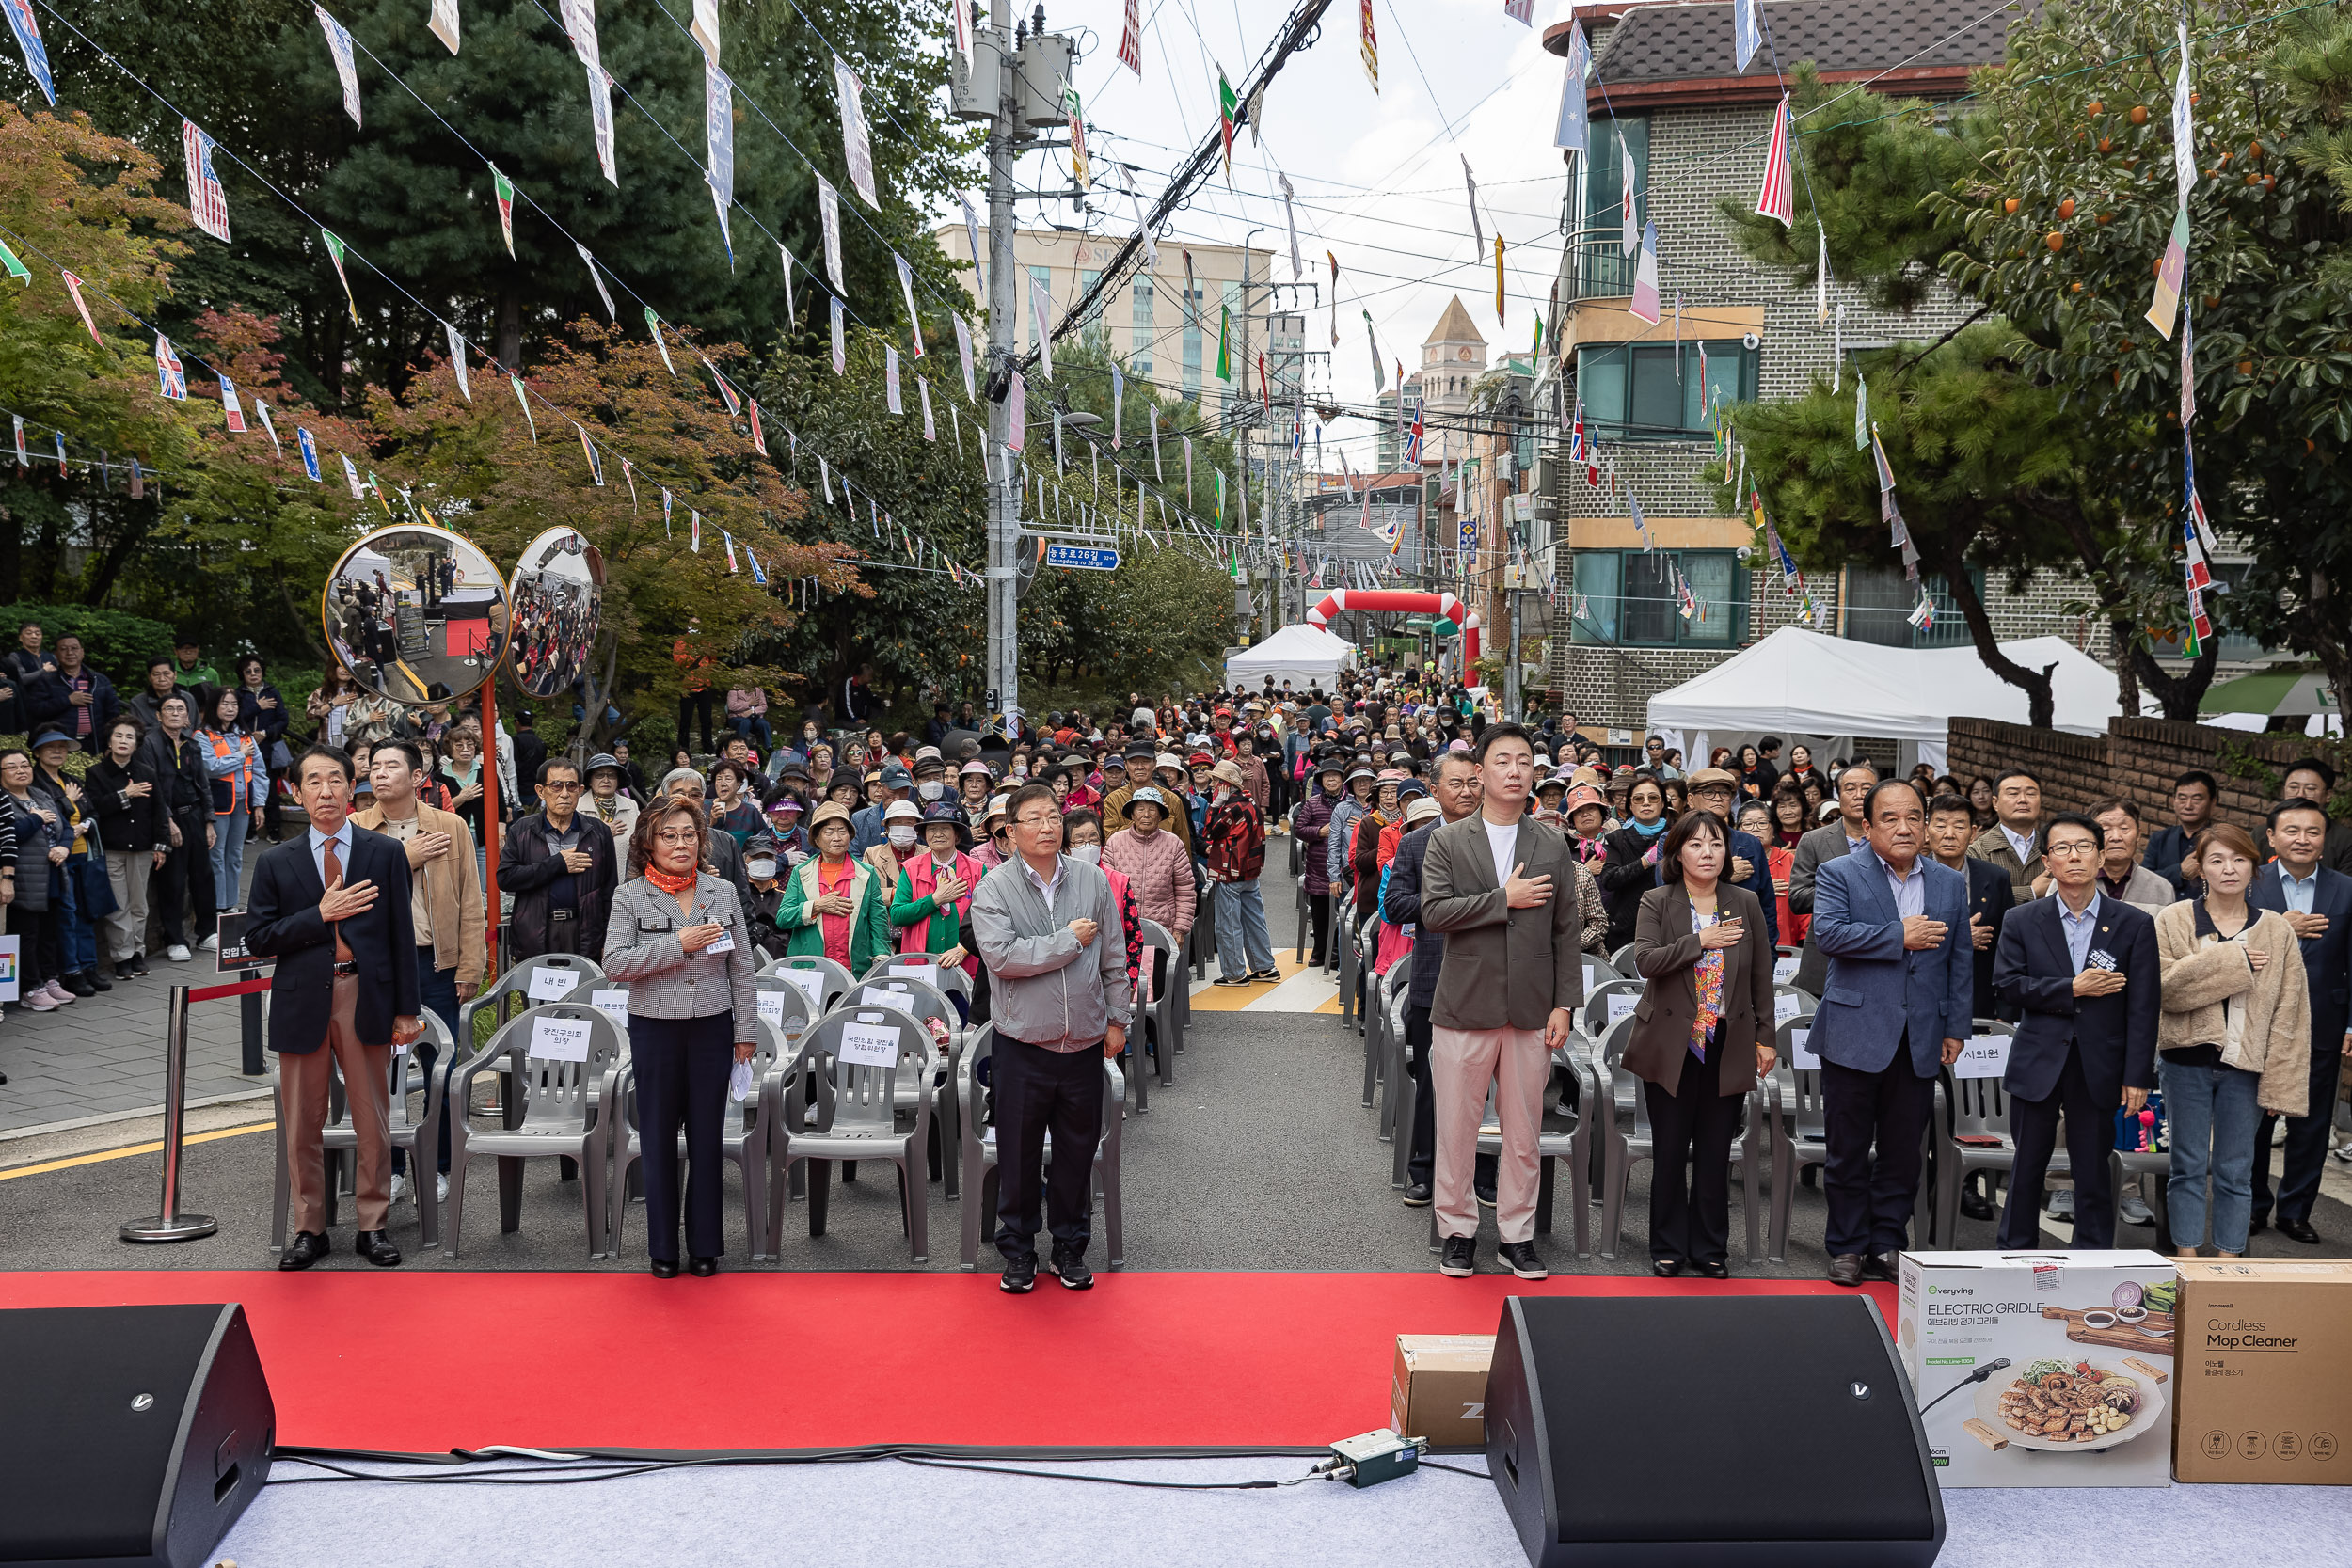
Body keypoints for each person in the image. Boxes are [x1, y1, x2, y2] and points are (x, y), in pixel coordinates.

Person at [246, 745, 423, 1270]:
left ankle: (373, 1225)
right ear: (297, 793)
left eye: (335, 780)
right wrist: (319, 914)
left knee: (372, 1117)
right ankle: (310, 1228)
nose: (325, 791)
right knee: (302, 1120)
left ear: (352, 788)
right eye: (314, 782)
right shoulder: (275, 861)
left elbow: (401, 935)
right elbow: (259, 937)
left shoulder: (384, 852)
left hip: (364, 994)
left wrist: (406, 1009)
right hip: (302, 998)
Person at [1421, 723, 1585, 1282]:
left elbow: (1566, 931)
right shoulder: (1448, 839)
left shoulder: (1551, 842)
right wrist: (1502, 899)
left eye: (1524, 762)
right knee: (1457, 1127)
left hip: (1532, 1007)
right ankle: (1458, 1230)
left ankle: (1517, 1235)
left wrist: (1565, 1004)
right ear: (1480, 772)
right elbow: (1434, 913)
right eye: (1502, 761)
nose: (1515, 771)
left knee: (1523, 1131)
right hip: (1464, 1003)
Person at [1806, 780, 1972, 1286]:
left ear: (1925, 825)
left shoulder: (1948, 882)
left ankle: (1887, 1241)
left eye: (1913, 817)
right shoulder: (1840, 871)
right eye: (1890, 818)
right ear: (1868, 825)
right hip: (1853, 1031)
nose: (1904, 828)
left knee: (1903, 1151)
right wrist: (1900, 935)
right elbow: (1828, 933)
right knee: (1848, 1148)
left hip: (1921, 1033)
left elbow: (1959, 959)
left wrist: (1955, 1026)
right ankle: (1847, 1244)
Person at [969, 782, 1130, 1293]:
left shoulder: (1091, 880)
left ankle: (1069, 1247)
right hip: (1022, 1044)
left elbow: (1113, 955)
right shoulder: (994, 887)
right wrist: (1067, 942)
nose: (1047, 826)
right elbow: (1003, 958)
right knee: (1017, 1153)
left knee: (1076, 1152)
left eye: (1054, 817)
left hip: (1083, 1040)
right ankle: (1018, 1251)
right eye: (1034, 818)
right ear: (1010, 831)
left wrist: (1118, 1019)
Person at [602, 795, 760, 1277]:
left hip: (713, 1028)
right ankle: (663, 1249)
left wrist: (745, 1031)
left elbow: (742, 968)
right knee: (657, 1138)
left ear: (701, 840)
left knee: (708, 1137)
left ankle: (705, 1246)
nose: (680, 844)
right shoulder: (630, 895)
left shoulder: (721, 892)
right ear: (648, 844)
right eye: (668, 836)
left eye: (689, 834)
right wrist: (678, 944)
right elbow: (614, 964)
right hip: (655, 1030)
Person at [1990, 813, 2161, 1249]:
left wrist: (2138, 1075)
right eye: (2062, 848)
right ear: (2048, 861)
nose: (2074, 856)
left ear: (2100, 857)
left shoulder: (2133, 923)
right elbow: (2008, 986)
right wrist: (2071, 988)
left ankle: (2093, 1257)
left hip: (2100, 1062)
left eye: (2084, 846)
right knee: (2027, 1165)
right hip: (2038, 1059)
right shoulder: (2022, 919)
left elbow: (2144, 1006)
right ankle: (2015, 1253)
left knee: (2093, 1167)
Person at [1629, 809, 1776, 1278]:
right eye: (1695, 844)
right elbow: (1646, 961)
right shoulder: (1657, 900)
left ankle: (1711, 1247)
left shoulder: (1744, 901)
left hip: (1728, 1041)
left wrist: (1766, 1037)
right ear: (1677, 853)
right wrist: (1701, 940)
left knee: (1715, 1153)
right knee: (1671, 1150)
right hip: (1672, 1042)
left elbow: (1761, 974)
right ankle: (1668, 1245)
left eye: (1716, 843)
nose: (1707, 853)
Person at [2155, 824, 2312, 1258]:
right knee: (2186, 1167)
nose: (2229, 869)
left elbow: (2291, 1010)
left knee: (2236, 1171)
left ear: (2254, 867)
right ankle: (2187, 1257)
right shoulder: (2174, 919)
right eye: (2217, 860)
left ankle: (2228, 1262)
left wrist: (2282, 1079)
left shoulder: (2276, 929)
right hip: (2184, 1060)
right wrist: (2232, 960)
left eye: (2240, 859)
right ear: (2200, 868)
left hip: (2246, 1067)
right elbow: (2165, 989)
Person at [354, 739, 488, 1205]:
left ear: (417, 777)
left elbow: (470, 899)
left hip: (434, 962)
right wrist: (404, 858)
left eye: (391, 765)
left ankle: (437, 1165)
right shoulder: (356, 828)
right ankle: (388, 1167)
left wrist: (470, 965)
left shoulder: (450, 826)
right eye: (374, 766)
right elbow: (351, 894)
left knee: (441, 1071)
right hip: (377, 967)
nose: (380, 773)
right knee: (382, 1072)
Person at [1384, 752, 1495, 1208]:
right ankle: (1424, 1169)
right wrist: (1451, 907)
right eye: (1456, 783)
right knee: (1434, 1081)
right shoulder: (1416, 843)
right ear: (1434, 790)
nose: (1467, 791)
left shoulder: (1498, 837)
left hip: (1490, 978)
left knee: (1486, 1085)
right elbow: (1395, 905)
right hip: (1435, 976)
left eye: (1473, 782)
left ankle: (1484, 1172)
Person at [2246, 799, 2351, 1245]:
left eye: (2313, 831)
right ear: (2271, 837)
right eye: (2292, 831)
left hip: (2324, 1018)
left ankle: (2296, 1212)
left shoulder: (2346, 889)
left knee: (2311, 1120)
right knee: (2252, 1119)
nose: (2302, 839)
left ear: (2324, 840)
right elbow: (2224, 943)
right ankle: (2251, 1206)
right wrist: (2279, 927)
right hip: (2258, 1017)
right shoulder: (2248, 883)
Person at [500, 757, 619, 962]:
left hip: (585, 931)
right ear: (540, 791)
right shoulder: (522, 830)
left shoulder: (599, 832)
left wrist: (609, 939)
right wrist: (557, 864)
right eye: (556, 786)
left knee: (584, 983)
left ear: (580, 790)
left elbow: (610, 890)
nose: (564, 793)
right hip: (535, 930)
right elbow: (506, 878)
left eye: (571, 786)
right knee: (539, 983)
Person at [1788, 763, 1878, 995]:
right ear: (1838, 795)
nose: (1859, 795)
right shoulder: (1814, 840)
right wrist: (1847, 891)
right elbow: (1797, 898)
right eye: (1850, 788)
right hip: (1825, 957)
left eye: (1866, 788)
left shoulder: (1891, 840)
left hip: (1878, 954)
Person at [90, 716, 167, 981]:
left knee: (139, 905)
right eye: (118, 736)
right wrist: (125, 794)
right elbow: (96, 808)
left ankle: (137, 952)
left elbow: (159, 810)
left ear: (136, 744)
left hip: (143, 848)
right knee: (118, 906)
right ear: (109, 741)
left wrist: (161, 845)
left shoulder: (147, 772)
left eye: (129, 737)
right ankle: (122, 957)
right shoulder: (96, 773)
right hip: (112, 848)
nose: (124, 741)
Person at [1927, 792, 2013, 1024]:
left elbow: (2009, 948)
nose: (1949, 834)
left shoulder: (1995, 878)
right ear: (1927, 830)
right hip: (1923, 1001)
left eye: (1959, 826)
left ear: (1973, 833)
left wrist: (2005, 1011)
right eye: (1940, 825)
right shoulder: (1909, 875)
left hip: (1979, 1001)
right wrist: (1961, 938)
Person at [773, 800, 891, 969]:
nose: (837, 838)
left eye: (842, 831)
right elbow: (783, 918)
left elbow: (878, 920)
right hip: (810, 968)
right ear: (816, 839)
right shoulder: (801, 872)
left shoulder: (866, 873)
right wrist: (817, 906)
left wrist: (881, 957)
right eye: (829, 832)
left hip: (855, 967)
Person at [1102, 785, 1195, 999]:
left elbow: (1185, 890)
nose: (1146, 814)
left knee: (1159, 990)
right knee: (1121, 990)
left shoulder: (1173, 844)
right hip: (1123, 932)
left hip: (1162, 928)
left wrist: (1180, 928)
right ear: (1132, 814)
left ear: (1160, 815)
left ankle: (1159, 1022)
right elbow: (1105, 886)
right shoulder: (1116, 842)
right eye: (1140, 809)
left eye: (1152, 809)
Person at [1678, 769, 1779, 950]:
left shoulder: (1750, 843)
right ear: (1691, 800)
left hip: (1743, 946)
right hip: (1690, 945)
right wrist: (1726, 875)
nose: (1718, 798)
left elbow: (1767, 906)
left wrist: (1768, 955)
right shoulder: (1673, 841)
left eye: (1724, 793)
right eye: (1709, 792)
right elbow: (1669, 890)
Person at [891, 800, 982, 991]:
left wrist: (963, 949)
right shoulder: (911, 869)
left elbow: (987, 918)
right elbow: (898, 915)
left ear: (957, 835)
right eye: (932, 829)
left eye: (944, 828)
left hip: (966, 965)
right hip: (919, 967)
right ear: (924, 835)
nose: (938, 834)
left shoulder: (977, 870)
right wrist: (935, 900)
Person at [195, 684, 264, 927]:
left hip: (242, 805)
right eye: (224, 704)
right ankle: (217, 905)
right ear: (214, 706)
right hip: (217, 804)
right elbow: (210, 767)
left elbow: (259, 771)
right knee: (216, 854)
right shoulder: (203, 736)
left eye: (234, 704)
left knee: (235, 855)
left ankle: (232, 904)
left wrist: (259, 804)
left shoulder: (245, 736)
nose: (230, 708)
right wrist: (240, 755)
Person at [1203, 758, 1278, 984]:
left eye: (1216, 781)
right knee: (1254, 920)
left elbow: (1209, 832)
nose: (1213, 785)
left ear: (1225, 784)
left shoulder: (1230, 807)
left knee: (1228, 925)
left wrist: (1214, 807)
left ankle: (1235, 973)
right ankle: (1264, 967)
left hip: (1229, 872)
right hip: (1250, 870)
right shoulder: (1250, 802)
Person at [1597, 775, 1672, 951]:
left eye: (1653, 798)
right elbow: (1609, 880)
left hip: (1666, 923)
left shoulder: (1676, 836)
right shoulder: (1618, 838)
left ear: (1662, 803)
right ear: (1630, 805)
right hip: (1625, 926)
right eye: (1638, 798)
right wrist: (1645, 861)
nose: (1646, 803)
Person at [25, 632, 119, 756]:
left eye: (74, 648)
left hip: (96, 743)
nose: (69, 653)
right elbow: (35, 710)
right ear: (56, 654)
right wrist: (67, 700)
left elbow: (113, 715)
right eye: (63, 649)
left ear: (82, 652)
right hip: (60, 743)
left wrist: (110, 744)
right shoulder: (46, 680)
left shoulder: (99, 680)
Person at [1968, 768, 2047, 907]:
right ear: (1995, 803)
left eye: (2031, 794)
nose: (2023, 800)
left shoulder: (2052, 847)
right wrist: (2031, 892)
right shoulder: (1977, 851)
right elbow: (1977, 898)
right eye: (2013, 793)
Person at [2087, 798, 2177, 911]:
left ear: (2139, 835)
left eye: (2124, 828)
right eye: (2105, 829)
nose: (2116, 837)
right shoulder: (2072, 883)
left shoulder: (2161, 888)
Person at [1295, 758, 1344, 964]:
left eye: (1335, 775)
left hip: (1343, 867)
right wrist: (1318, 832)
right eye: (1327, 776)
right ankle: (1319, 952)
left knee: (1341, 914)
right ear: (1321, 780)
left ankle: (1337, 954)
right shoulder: (1313, 803)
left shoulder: (1350, 802)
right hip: (1318, 867)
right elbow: (1299, 829)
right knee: (1320, 914)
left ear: (1342, 779)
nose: (1331, 779)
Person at [2145, 770, 2218, 895]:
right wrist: (2179, 871)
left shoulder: (2221, 841)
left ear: (2213, 801)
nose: (2188, 806)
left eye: (2196, 799)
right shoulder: (2159, 839)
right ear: (2174, 800)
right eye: (2182, 798)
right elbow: (2144, 881)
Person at [583, 752, 640, 841]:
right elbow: (569, 842)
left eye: (611, 775)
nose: (606, 780)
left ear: (618, 781)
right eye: (599, 775)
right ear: (590, 781)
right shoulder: (577, 807)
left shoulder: (631, 806)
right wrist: (602, 833)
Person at [510, 709, 547, 800]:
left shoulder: (516, 741)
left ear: (517, 722)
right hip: (538, 789)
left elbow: (513, 765)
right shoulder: (540, 742)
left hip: (521, 790)